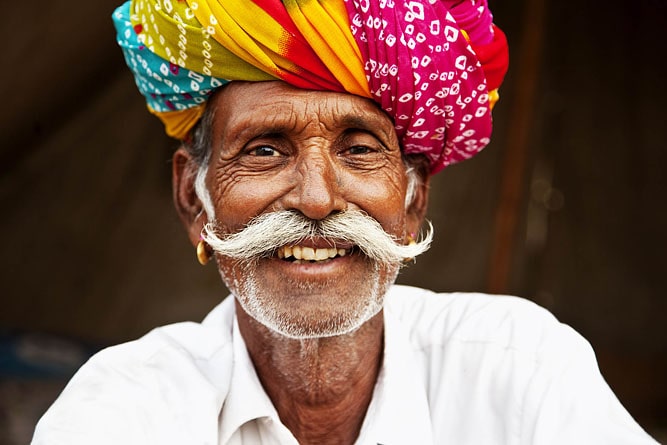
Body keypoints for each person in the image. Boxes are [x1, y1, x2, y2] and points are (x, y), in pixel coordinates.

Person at [33, 0, 657, 444]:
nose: (315, 198)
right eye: (265, 150)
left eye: (359, 149)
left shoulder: (518, 368)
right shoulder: (125, 408)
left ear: (413, 203)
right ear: (194, 201)